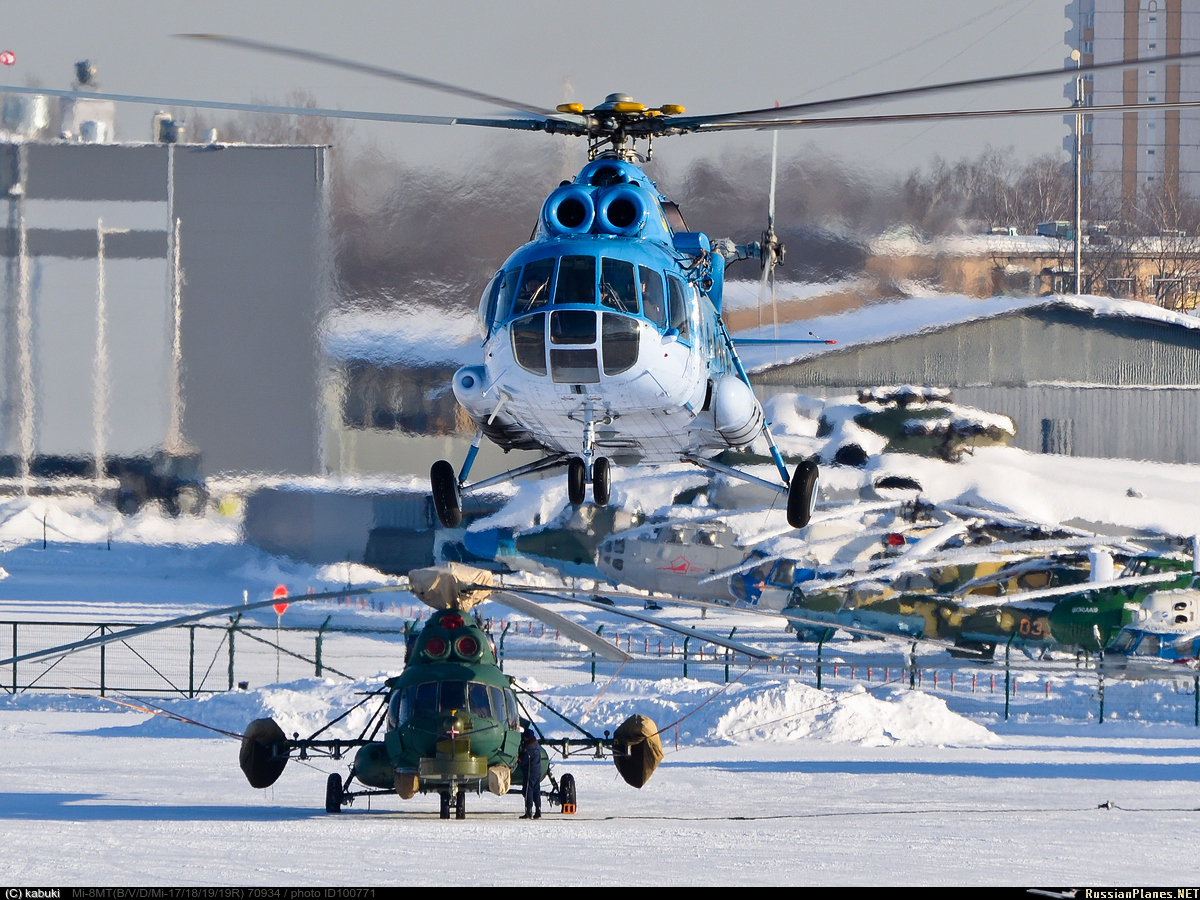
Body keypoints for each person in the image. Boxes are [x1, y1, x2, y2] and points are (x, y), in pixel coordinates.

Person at [517, 727, 542, 819]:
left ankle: (528, 812)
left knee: (528, 791)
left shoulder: (528, 749)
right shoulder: (536, 745)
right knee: (536, 791)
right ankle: (538, 811)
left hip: (530, 772)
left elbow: (522, 761)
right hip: (537, 771)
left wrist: (519, 758)